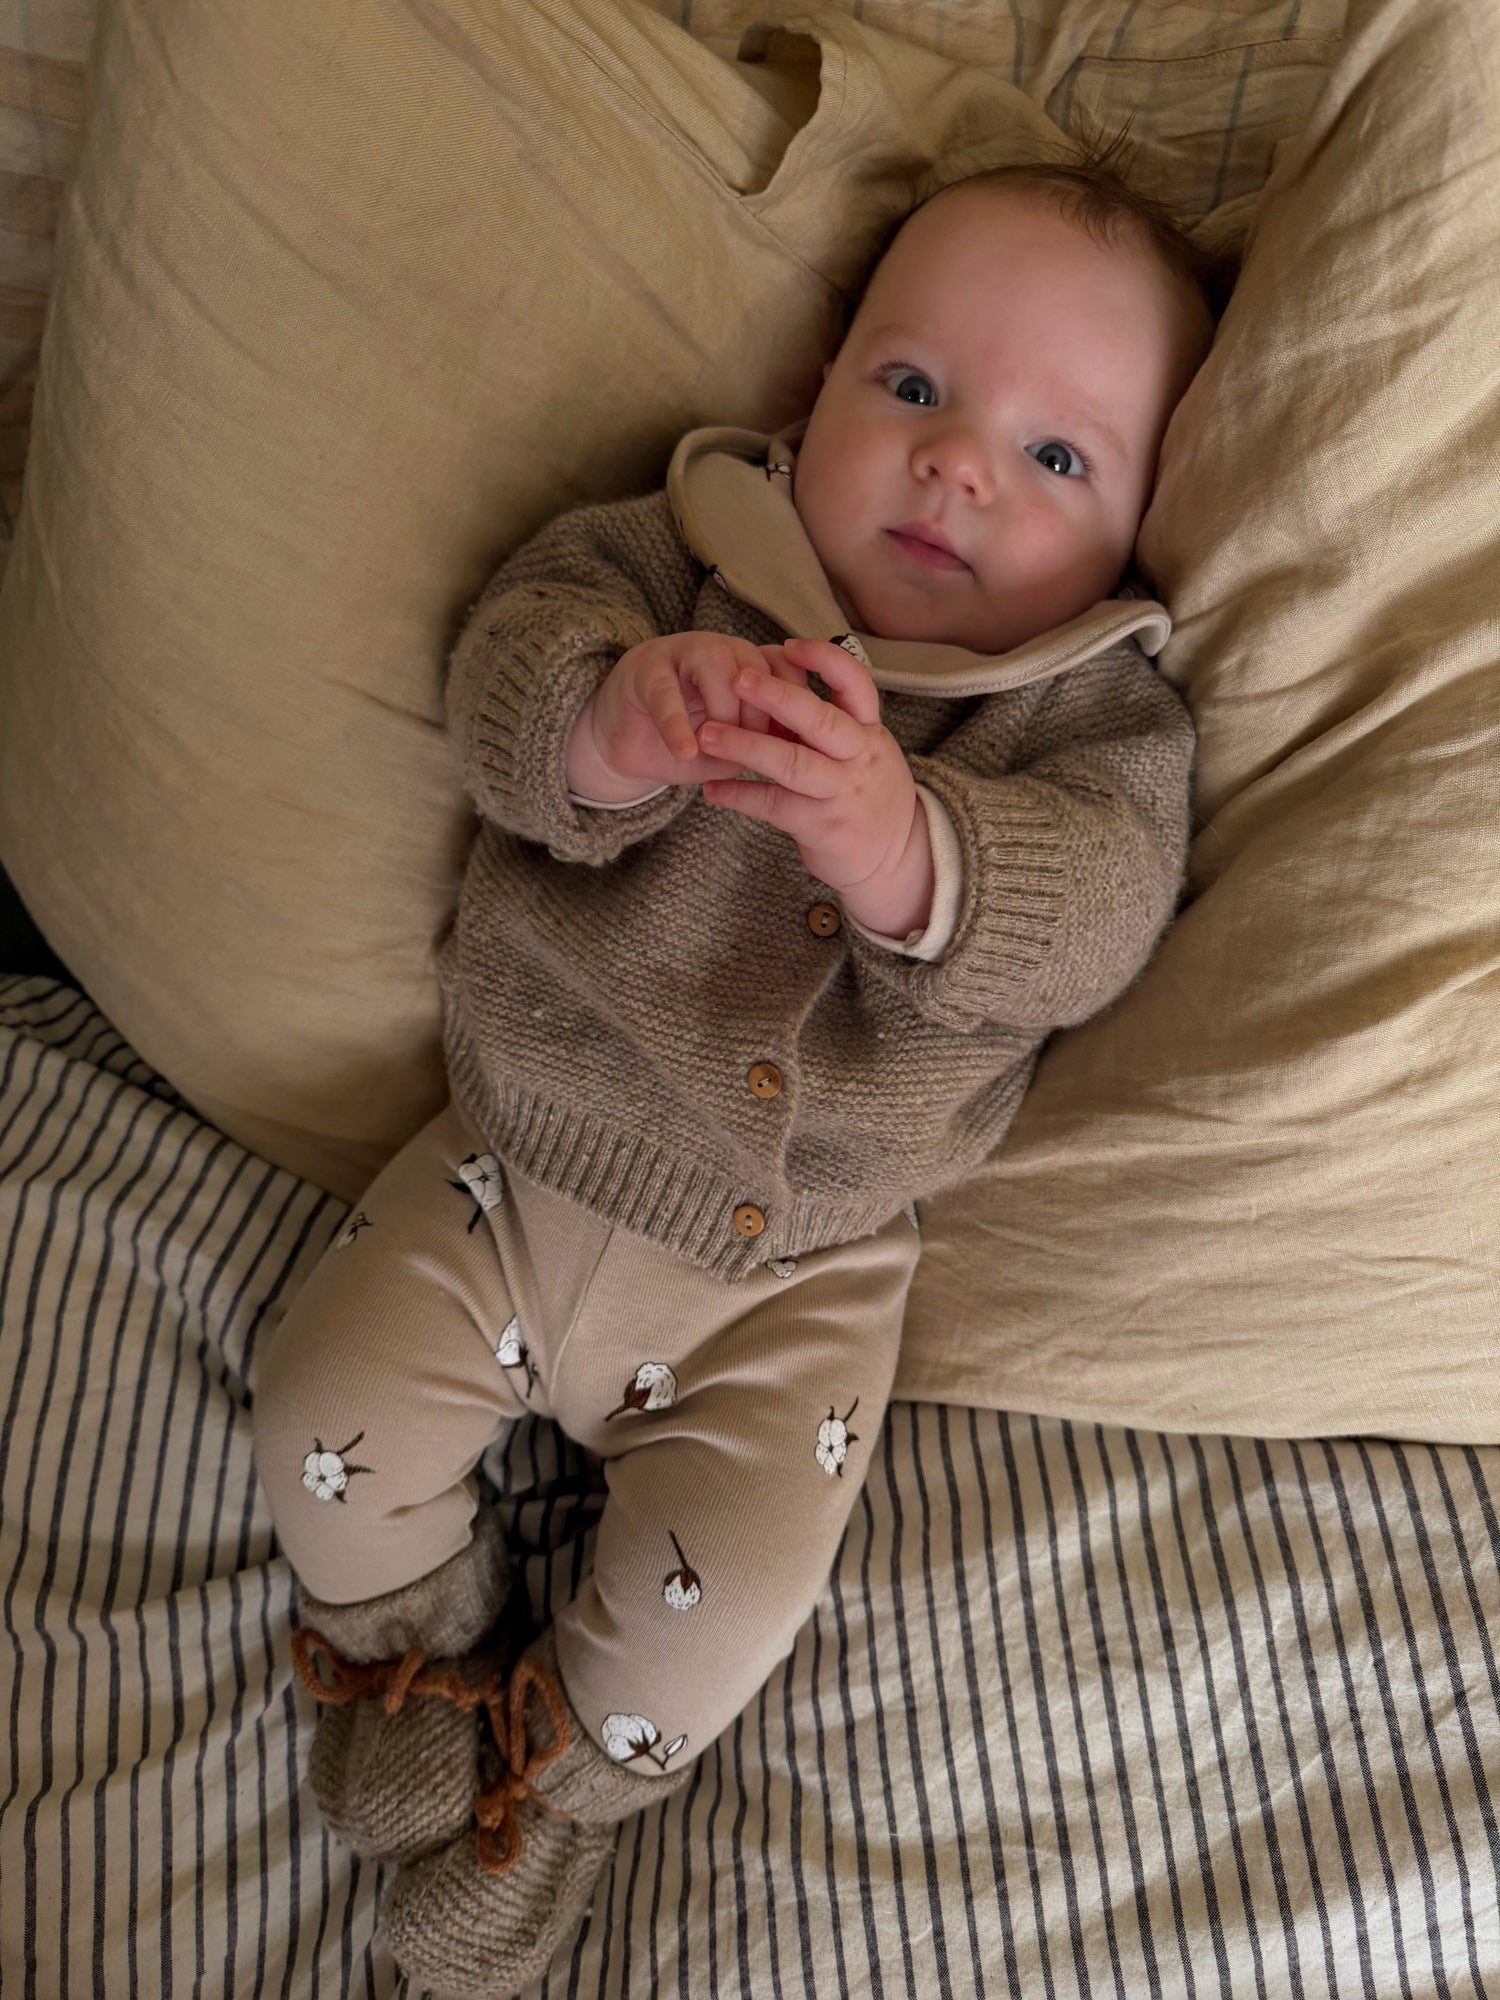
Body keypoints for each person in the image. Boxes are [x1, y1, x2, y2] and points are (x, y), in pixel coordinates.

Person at [254, 145, 1217, 1998]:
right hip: (516, 1156)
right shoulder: (687, 550)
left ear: (1141, 531)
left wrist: (916, 853)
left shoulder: (1093, 713)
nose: (957, 465)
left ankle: (550, 1796)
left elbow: (1104, 911)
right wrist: (611, 724)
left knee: (728, 1611)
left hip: (802, 1274)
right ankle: (410, 1646)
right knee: (316, 1418)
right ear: (818, 389)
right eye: (916, 388)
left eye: (1057, 456)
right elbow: (504, 672)